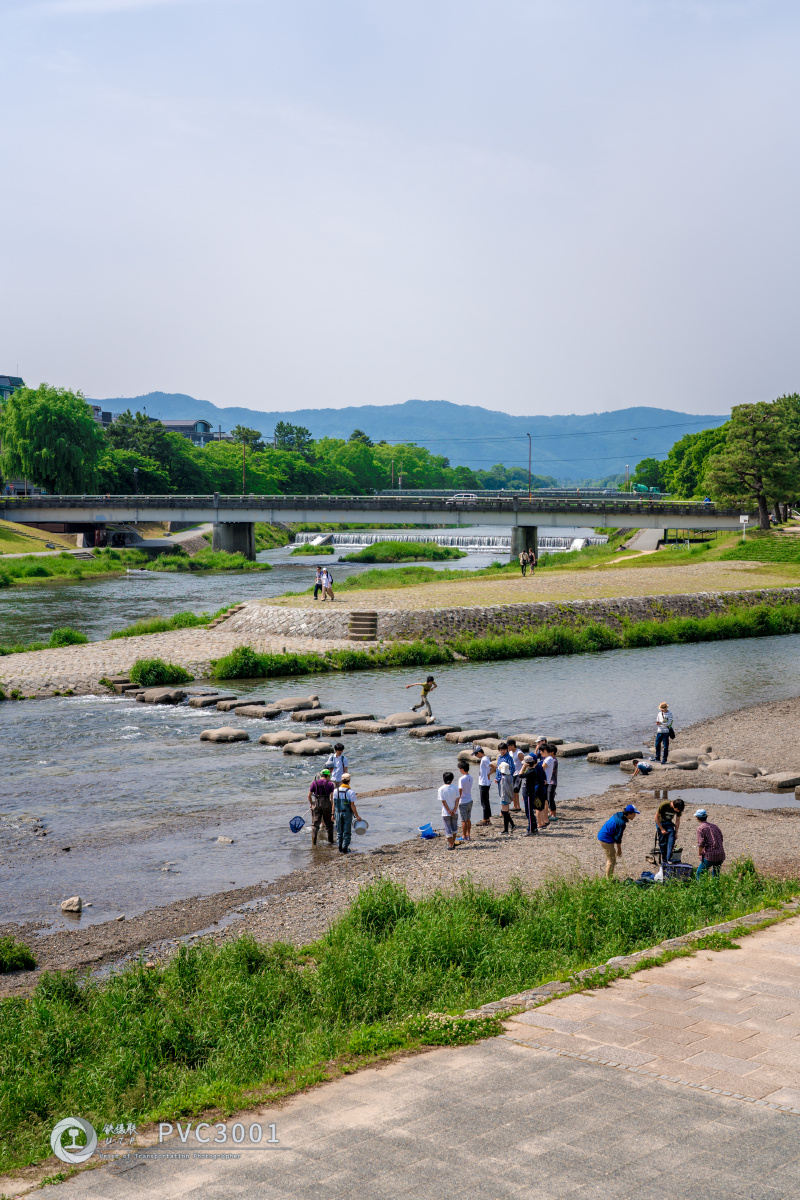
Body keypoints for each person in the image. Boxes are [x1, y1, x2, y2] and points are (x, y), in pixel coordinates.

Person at [597, 804, 640, 879]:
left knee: (610, 858)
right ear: (629, 813)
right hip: (605, 839)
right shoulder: (621, 823)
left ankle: (608, 877)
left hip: (604, 835)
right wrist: (619, 850)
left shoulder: (619, 814)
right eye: (634, 814)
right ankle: (608, 880)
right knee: (612, 860)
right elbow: (618, 838)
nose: (635, 816)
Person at [333, 773, 361, 853]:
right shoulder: (351, 792)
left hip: (338, 813)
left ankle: (339, 847)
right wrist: (357, 816)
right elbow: (352, 806)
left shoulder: (335, 791)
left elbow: (333, 804)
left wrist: (332, 814)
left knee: (339, 831)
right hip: (347, 814)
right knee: (347, 831)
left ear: (341, 781)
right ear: (349, 781)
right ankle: (345, 848)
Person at [694, 809, 726, 878]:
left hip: (710, 855)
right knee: (716, 874)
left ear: (697, 818)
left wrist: (699, 854)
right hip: (721, 854)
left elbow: (701, 843)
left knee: (699, 873)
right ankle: (715, 887)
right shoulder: (715, 826)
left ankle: (701, 888)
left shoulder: (700, 828)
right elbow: (721, 838)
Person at [308, 768, 335, 845]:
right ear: (327, 776)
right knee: (329, 824)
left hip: (317, 802)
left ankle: (314, 843)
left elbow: (309, 795)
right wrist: (332, 806)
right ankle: (330, 842)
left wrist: (311, 803)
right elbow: (331, 797)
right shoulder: (330, 784)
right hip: (326, 803)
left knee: (315, 825)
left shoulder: (314, 783)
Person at [655, 797, 684, 864]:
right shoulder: (664, 805)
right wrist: (661, 829)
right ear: (673, 806)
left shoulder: (678, 809)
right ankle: (664, 859)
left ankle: (669, 859)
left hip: (669, 822)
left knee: (671, 840)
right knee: (663, 842)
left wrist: (676, 833)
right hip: (660, 822)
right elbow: (656, 817)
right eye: (677, 810)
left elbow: (677, 821)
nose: (678, 811)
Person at [439, 770, 460, 850]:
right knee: (454, 828)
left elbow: (443, 801)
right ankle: (453, 843)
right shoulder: (455, 787)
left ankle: (450, 845)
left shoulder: (441, 789)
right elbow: (457, 799)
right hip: (455, 811)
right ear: (452, 779)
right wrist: (454, 809)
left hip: (446, 812)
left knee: (448, 829)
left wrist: (448, 810)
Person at [520, 755, 539, 837]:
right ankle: (534, 828)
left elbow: (520, 775)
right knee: (528, 812)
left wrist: (523, 767)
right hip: (526, 793)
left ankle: (530, 829)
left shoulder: (532, 771)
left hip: (529, 793)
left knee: (529, 812)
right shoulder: (530, 771)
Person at [475, 745, 493, 825]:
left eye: (476, 754)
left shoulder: (484, 759)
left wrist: (489, 774)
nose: (476, 756)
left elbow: (494, 766)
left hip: (484, 783)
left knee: (484, 802)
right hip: (485, 782)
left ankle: (485, 819)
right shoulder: (485, 759)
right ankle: (488, 818)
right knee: (486, 801)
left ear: (479, 753)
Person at [498, 761, 516, 833]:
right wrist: (512, 795)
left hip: (504, 796)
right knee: (505, 812)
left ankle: (506, 830)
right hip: (508, 796)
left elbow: (506, 789)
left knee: (505, 812)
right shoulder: (510, 776)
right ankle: (512, 825)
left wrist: (511, 796)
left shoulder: (503, 778)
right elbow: (511, 788)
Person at [542, 743, 558, 822]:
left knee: (550, 799)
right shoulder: (549, 759)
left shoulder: (553, 760)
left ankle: (553, 815)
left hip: (552, 782)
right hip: (549, 781)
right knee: (548, 799)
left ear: (552, 752)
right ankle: (550, 813)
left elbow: (551, 769)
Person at [457, 762, 473, 841]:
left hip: (463, 801)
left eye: (459, 769)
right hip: (470, 800)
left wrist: (457, 801)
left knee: (463, 820)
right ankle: (468, 835)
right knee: (468, 819)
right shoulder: (471, 777)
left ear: (462, 769)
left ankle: (464, 836)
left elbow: (460, 790)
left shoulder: (461, 779)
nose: (459, 770)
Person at [507, 738, 524, 811]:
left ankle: (518, 806)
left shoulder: (519, 752)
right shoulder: (510, 752)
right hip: (512, 774)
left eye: (508, 746)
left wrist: (522, 773)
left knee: (516, 791)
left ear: (512, 745)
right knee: (512, 791)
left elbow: (524, 763)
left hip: (518, 774)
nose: (507, 748)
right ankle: (515, 806)